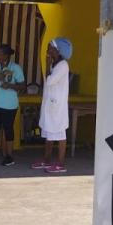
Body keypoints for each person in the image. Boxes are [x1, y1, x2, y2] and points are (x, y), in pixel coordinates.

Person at [32, 38, 72, 173]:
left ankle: (61, 164)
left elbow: (49, 81)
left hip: (57, 107)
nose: (48, 51)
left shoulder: (63, 66)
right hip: (50, 105)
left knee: (60, 134)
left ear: (58, 50)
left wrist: (47, 64)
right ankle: (47, 160)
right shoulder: (55, 64)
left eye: (50, 48)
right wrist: (49, 65)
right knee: (49, 133)